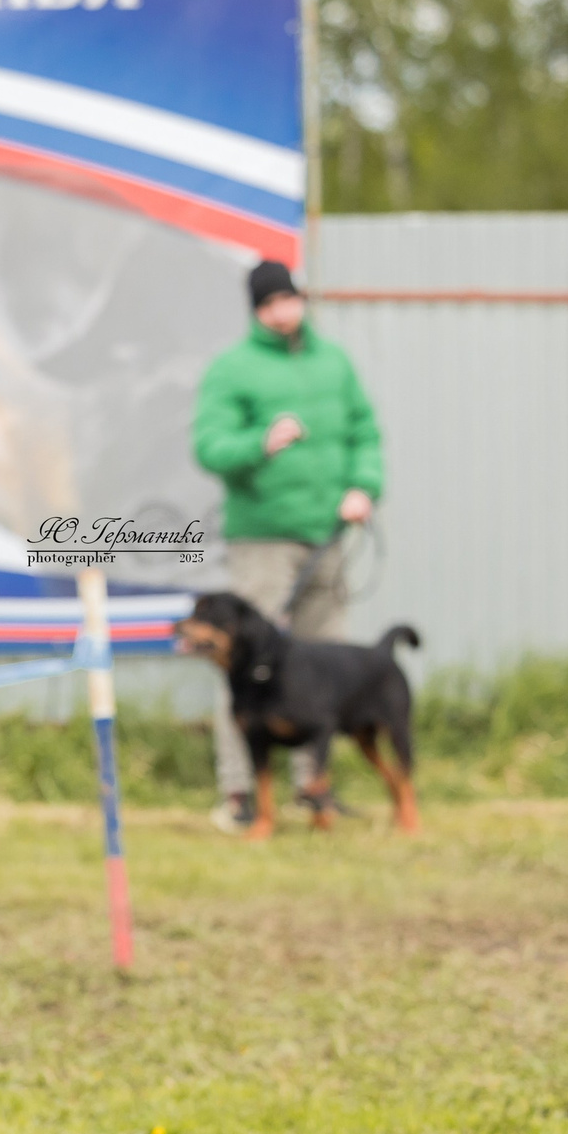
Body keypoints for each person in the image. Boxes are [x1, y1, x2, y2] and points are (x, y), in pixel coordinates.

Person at [191, 258, 386, 831]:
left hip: (329, 533)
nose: (283, 311)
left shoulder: (334, 362)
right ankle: (240, 793)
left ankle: (313, 788)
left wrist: (363, 487)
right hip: (263, 538)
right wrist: (260, 442)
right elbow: (209, 447)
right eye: (271, 303)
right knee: (244, 668)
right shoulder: (233, 368)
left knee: (324, 666)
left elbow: (365, 432)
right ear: (257, 310)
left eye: (289, 299)